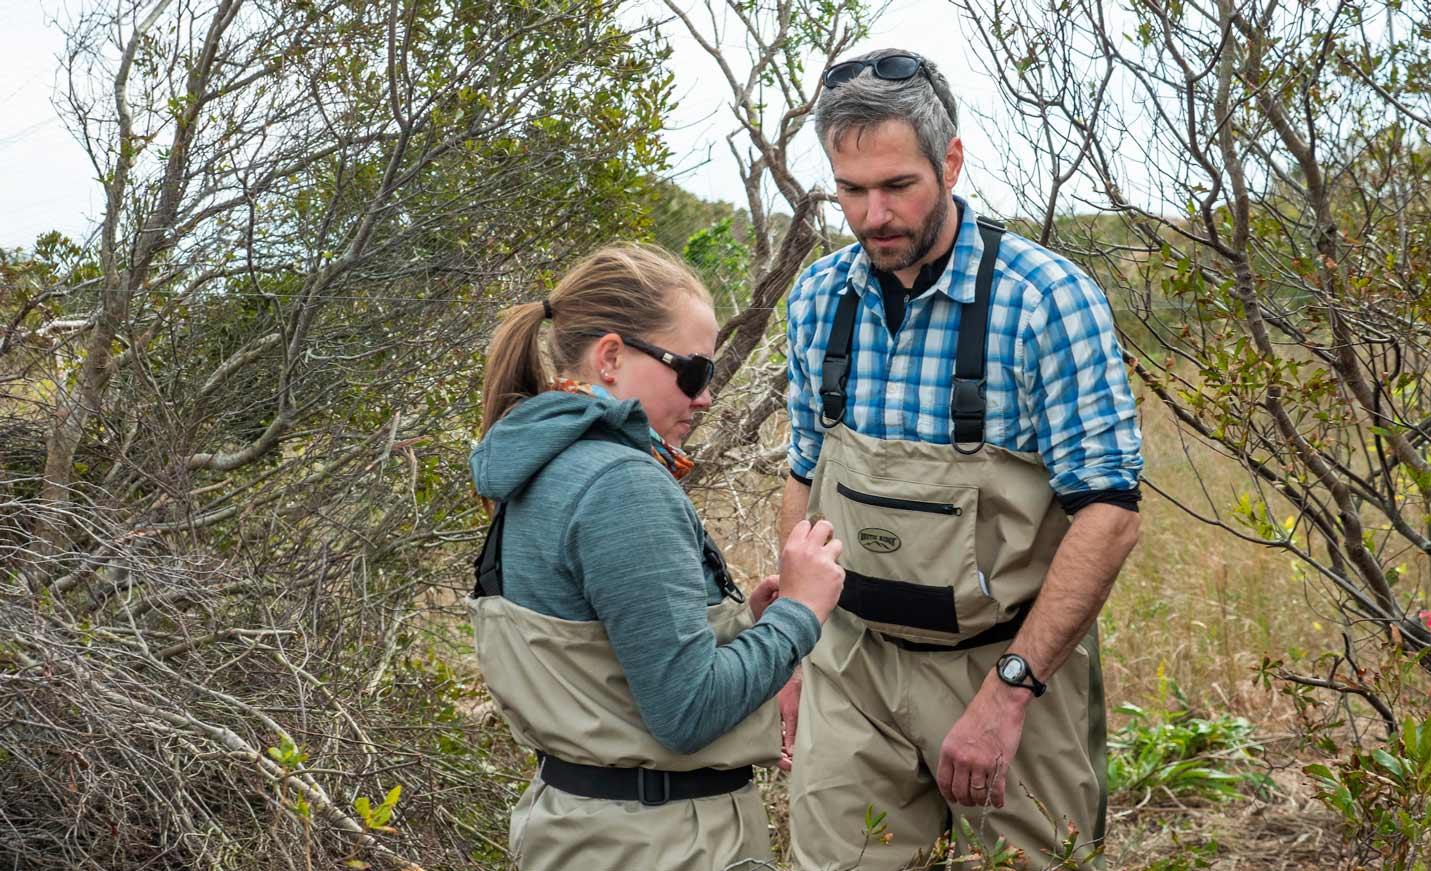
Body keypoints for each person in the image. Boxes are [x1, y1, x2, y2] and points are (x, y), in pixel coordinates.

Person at [779, 50, 1144, 870]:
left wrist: (1011, 689)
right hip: (853, 658)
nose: (873, 214)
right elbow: (804, 477)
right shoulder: (816, 298)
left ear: (950, 161)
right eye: (849, 189)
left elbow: (1110, 514)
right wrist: (792, 650)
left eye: (896, 185)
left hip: (1004, 664)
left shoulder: (1045, 298)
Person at [466, 243, 846, 871]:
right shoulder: (622, 484)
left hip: (577, 829)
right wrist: (799, 614)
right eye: (693, 372)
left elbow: (604, 660)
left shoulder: (537, 465)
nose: (705, 397)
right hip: (663, 842)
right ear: (611, 357)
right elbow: (686, 710)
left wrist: (739, 629)